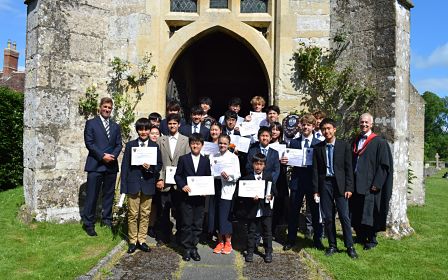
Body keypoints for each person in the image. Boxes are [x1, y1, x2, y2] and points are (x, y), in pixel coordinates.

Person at [312, 118, 358, 259]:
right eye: (323, 129)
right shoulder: (318, 148)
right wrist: (316, 190)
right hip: (325, 184)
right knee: (328, 217)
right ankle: (332, 245)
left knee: (344, 216)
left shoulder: (344, 146)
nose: (326, 131)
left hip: (341, 185)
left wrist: (349, 187)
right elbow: (315, 170)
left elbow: (348, 168)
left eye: (328, 128)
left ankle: (349, 246)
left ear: (334, 129)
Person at [350, 113, 393, 250]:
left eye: (366, 122)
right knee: (357, 211)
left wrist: (377, 184)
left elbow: (384, 166)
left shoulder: (379, 142)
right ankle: (361, 236)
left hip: (370, 185)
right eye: (362, 122)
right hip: (356, 183)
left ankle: (372, 239)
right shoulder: (355, 141)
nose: (364, 124)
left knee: (370, 212)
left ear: (372, 124)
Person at [120, 118, 163, 253]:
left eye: (146, 129)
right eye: (141, 129)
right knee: (133, 214)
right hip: (133, 184)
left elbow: (159, 165)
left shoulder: (154, 146)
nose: (143, 132)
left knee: (145, 213)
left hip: (148, 184)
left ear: (150, 130)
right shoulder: (130, 145)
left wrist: (150, 168)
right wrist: (124, 187)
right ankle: (132, 241)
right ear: (137, 130)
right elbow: (125, 166)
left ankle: (142, 240)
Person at [82, 97, 122, 236]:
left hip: (111, 165)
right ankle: (88, 224)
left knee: (109, 195)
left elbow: (119, 144)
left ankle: (107, 220)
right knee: (92, 196)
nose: (107, 110)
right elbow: (89, 143)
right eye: (105, 107)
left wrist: (113, 156)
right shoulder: (91, 123)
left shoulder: (116, 126)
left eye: (109, 108)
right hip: (96, 165)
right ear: (100, 107)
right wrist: (102, 156)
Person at [283, 114, 324, 251]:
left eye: (309, 125)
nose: (306, 127)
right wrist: (285, 161)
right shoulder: (293, 142)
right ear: (300, 126)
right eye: (304, 124)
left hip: (313, 183)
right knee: (293, 211)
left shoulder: (319, 143)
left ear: (313, 127)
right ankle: (291, 240)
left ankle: (317, 240)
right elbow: (288, 160)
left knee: (315, 211)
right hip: (297, 182)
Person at [233, 153, 277, 263]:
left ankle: (268, 252)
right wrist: (250, 198)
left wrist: (271, 195)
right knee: (251, 231)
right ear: (252, 164)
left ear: (264, 166)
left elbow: (274, 191)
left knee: (267, 231)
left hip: (265, 209)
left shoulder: (268, 177)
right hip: (252, 209)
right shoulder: (247, 178)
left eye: (261, 164)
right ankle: (250, 252)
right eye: (256, 164)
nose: (258, 167)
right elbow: (240, 195)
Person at [174, 133, 212, 261]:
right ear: (190, 145)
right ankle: (186, 248)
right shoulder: (183, 159)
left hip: (200, 199)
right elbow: (177, 176)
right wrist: (183, 185)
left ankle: (194, 247)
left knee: (197, 224)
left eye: (198, 143)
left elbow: (208, 177)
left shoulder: (205, 160)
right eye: (193, 143)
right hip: (186, 198)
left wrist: (206, 190)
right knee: (186, 223)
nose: (195, 145)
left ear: (202, 145)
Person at [155, 113, 190, 245]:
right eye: (170, 123)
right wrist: (159, 178)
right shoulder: (160, 140)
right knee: (163, 212)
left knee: (180, 211)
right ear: (167, 125)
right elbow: (157, 162)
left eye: (174, 123)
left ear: (179, 125)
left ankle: (180, 237)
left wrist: (185, 181)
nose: (172, 125)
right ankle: (164, 237)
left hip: (179, 183)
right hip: (164, 182)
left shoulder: (186, 140)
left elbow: (187, 162)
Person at [209, 134, 241, 254]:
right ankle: (220, 241)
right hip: (215, 187)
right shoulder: (213, 156)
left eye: (225, 143)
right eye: (220, 143)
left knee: (225, 216)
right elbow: (210, 171)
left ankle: (228, 242)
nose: (222, 145)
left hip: (227, 188)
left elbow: (238, 175)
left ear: (229, 145)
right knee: (216, 214)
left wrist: (229, 177)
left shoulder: (233, 158)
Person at [269, 122, 289, 239]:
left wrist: (285, 161)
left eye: (277, 130)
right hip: (268, 176)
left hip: (280, 177)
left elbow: (289, 161)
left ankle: (274, 229)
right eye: (273, 129)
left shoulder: (284, 144)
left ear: (280, 132)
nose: (274, 131)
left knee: (278, 205)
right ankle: (265, 230)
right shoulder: (267, 143)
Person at [147, 125, 162, 237]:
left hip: (158, 178)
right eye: (152, 133)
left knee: (155, 204)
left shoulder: (161, 146)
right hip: (147, 179)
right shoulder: (145, 146)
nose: (154, 135)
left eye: (157, 133)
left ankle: (152, 225)